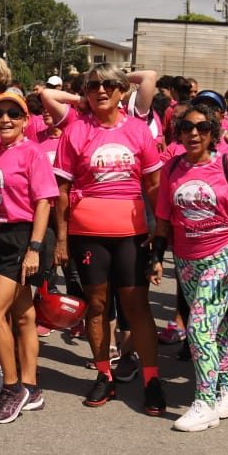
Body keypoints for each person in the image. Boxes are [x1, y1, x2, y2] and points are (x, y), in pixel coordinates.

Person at [46, 65, 165, 414]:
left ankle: (151, 378)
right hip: (88, 236)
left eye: (108, 85)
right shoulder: (75, 131)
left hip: (132, 234)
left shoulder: (138, 130)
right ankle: (104, 374)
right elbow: (63, 191)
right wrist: (62, 240)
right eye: (93, 85)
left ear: (120, 91)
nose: (100, 90)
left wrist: (161, 232)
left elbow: (154, 186)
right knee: (97, 307)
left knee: (137, 307)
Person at [153, 99, 228, 432]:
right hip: (186, 259)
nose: (194, 133)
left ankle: (205, 401)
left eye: (202, 127)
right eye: (186, 127)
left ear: (213, 133)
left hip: (223, 254)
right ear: (179, 133)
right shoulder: (172, 169)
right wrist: (157, 258)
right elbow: (163, 220)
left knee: (198, 325)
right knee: (217, 329)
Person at [0, 91, 58, 423]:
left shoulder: (32, 153)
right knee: (23, 316)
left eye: (14, 114)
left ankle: (12, 388)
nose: (5, 119)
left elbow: (44, 202)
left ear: (24, 120)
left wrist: (34, 248)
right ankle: (31, 387)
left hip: (24, 237)